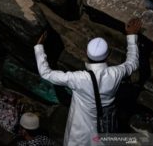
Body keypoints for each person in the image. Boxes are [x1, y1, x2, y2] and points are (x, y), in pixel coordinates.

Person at [34, 18, 142, 146]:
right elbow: (132, 63)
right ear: (108, 55)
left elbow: (46, 73)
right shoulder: (115, 73)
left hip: (80, 134)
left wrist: (39, 47)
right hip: (104, 131)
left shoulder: (79, 78)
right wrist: (131, 36)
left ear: (86, 54)